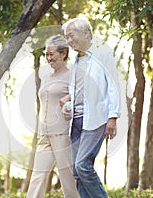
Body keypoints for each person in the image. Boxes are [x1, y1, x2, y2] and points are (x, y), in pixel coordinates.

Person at [60, 17, 121, 198]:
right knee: (78, 172)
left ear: (85, 33)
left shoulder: (102, 55)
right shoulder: (76, 62)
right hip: (77, 120)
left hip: (95, 119)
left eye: (71, 36)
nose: (69, 41)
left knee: (82, 165)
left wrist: (113, 117)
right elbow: (79, 94)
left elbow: (113, 85)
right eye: (66, 37)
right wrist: (68, 106)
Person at [26, 35, 79, 198]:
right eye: (46, 55)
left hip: (62, 135)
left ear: (63, 54)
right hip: (44, 135)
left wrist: (69, 99)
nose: (48, 58)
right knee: (37, 177)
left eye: (52, 54)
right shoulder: (46, 77)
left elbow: (82, 95)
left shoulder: (73, 76)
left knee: (68, 181)